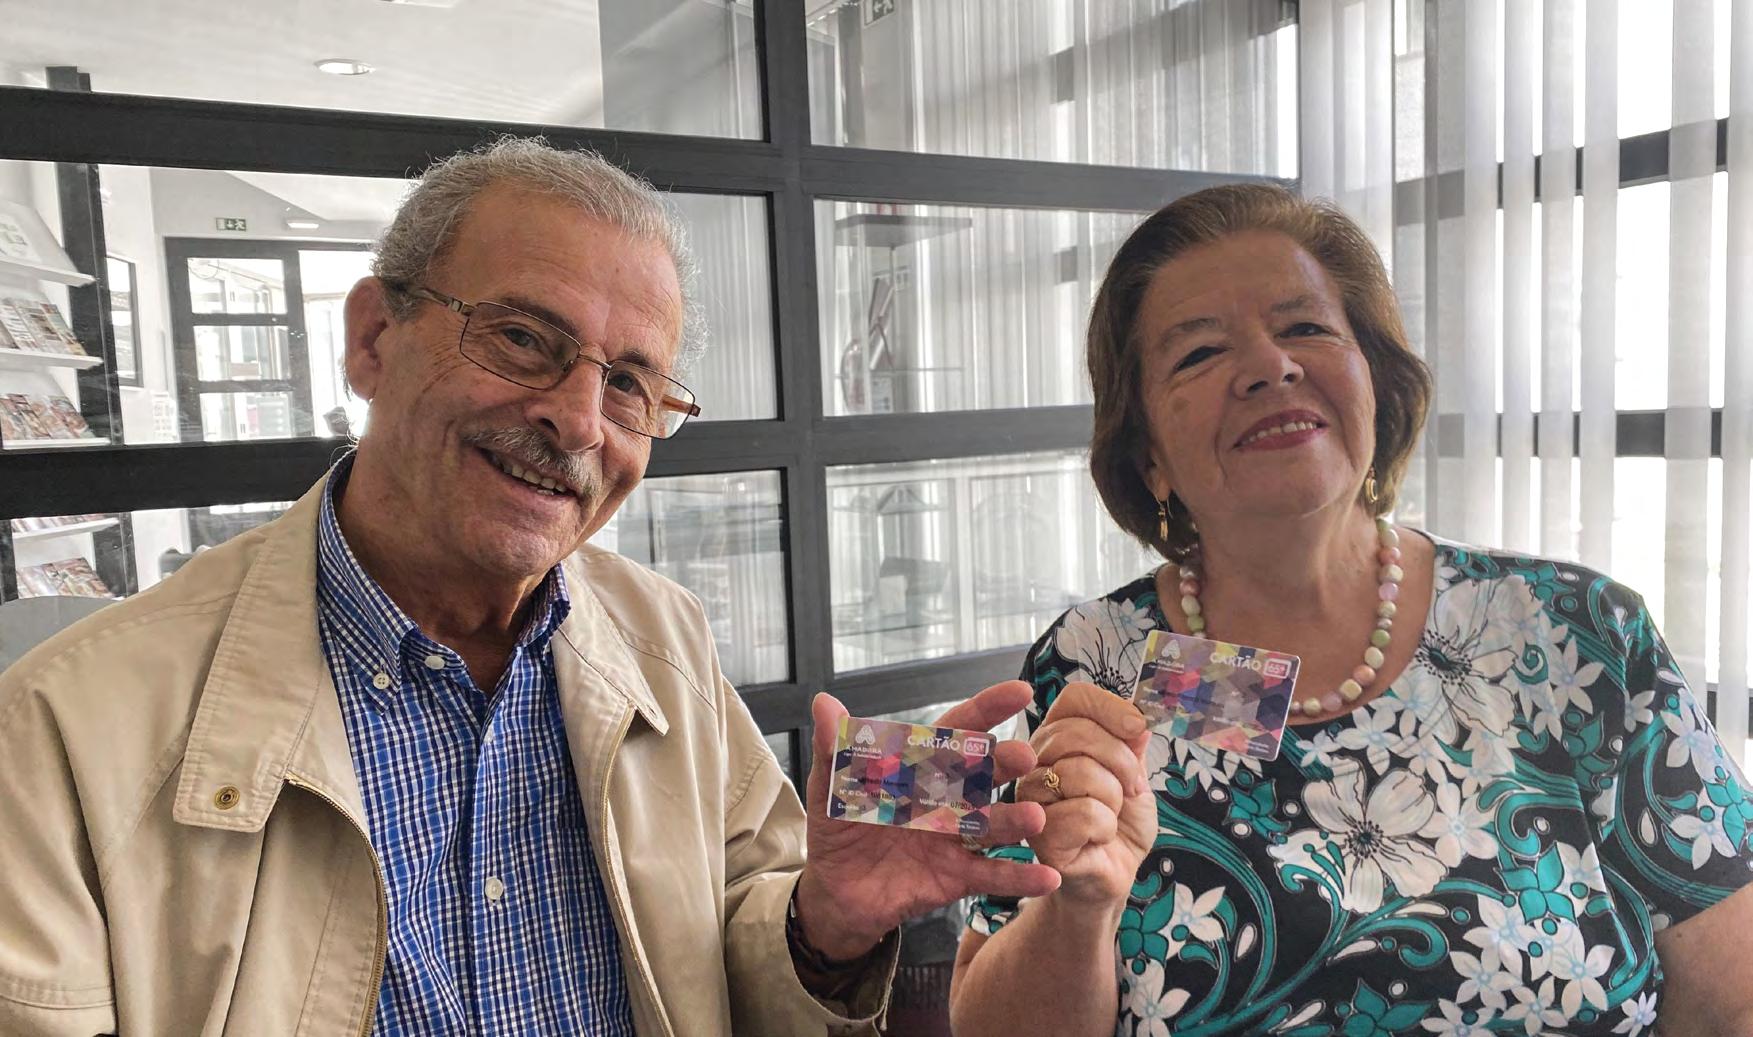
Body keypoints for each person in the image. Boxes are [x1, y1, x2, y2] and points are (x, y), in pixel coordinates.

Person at [0, 138, 1060, 1035]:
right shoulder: (65, 728)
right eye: (520, 339)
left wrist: (821, 922)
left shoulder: (660, 632)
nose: (580, 419)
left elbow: (733, 924)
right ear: (372, 339)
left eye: (631, 383)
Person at [949, 184, 1753, 1036]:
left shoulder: (1575, 634)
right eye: (1199, 352)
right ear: (1146, 453)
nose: (1269, 366)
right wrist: (1079, 909)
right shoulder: (1098, 663)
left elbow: (1734, 998)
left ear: (1377, 380)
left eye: (1305, 327)